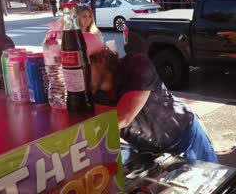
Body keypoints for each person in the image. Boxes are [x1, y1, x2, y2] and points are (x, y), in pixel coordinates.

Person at [88, 33, 218, 163]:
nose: (79, 76)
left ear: (101, 60)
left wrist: (79, 135)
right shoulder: (93, 93)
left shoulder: (135, 64)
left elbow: (123, 117)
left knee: (212, 179)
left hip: (185, 137)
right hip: (150, 150)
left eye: (84, 67)